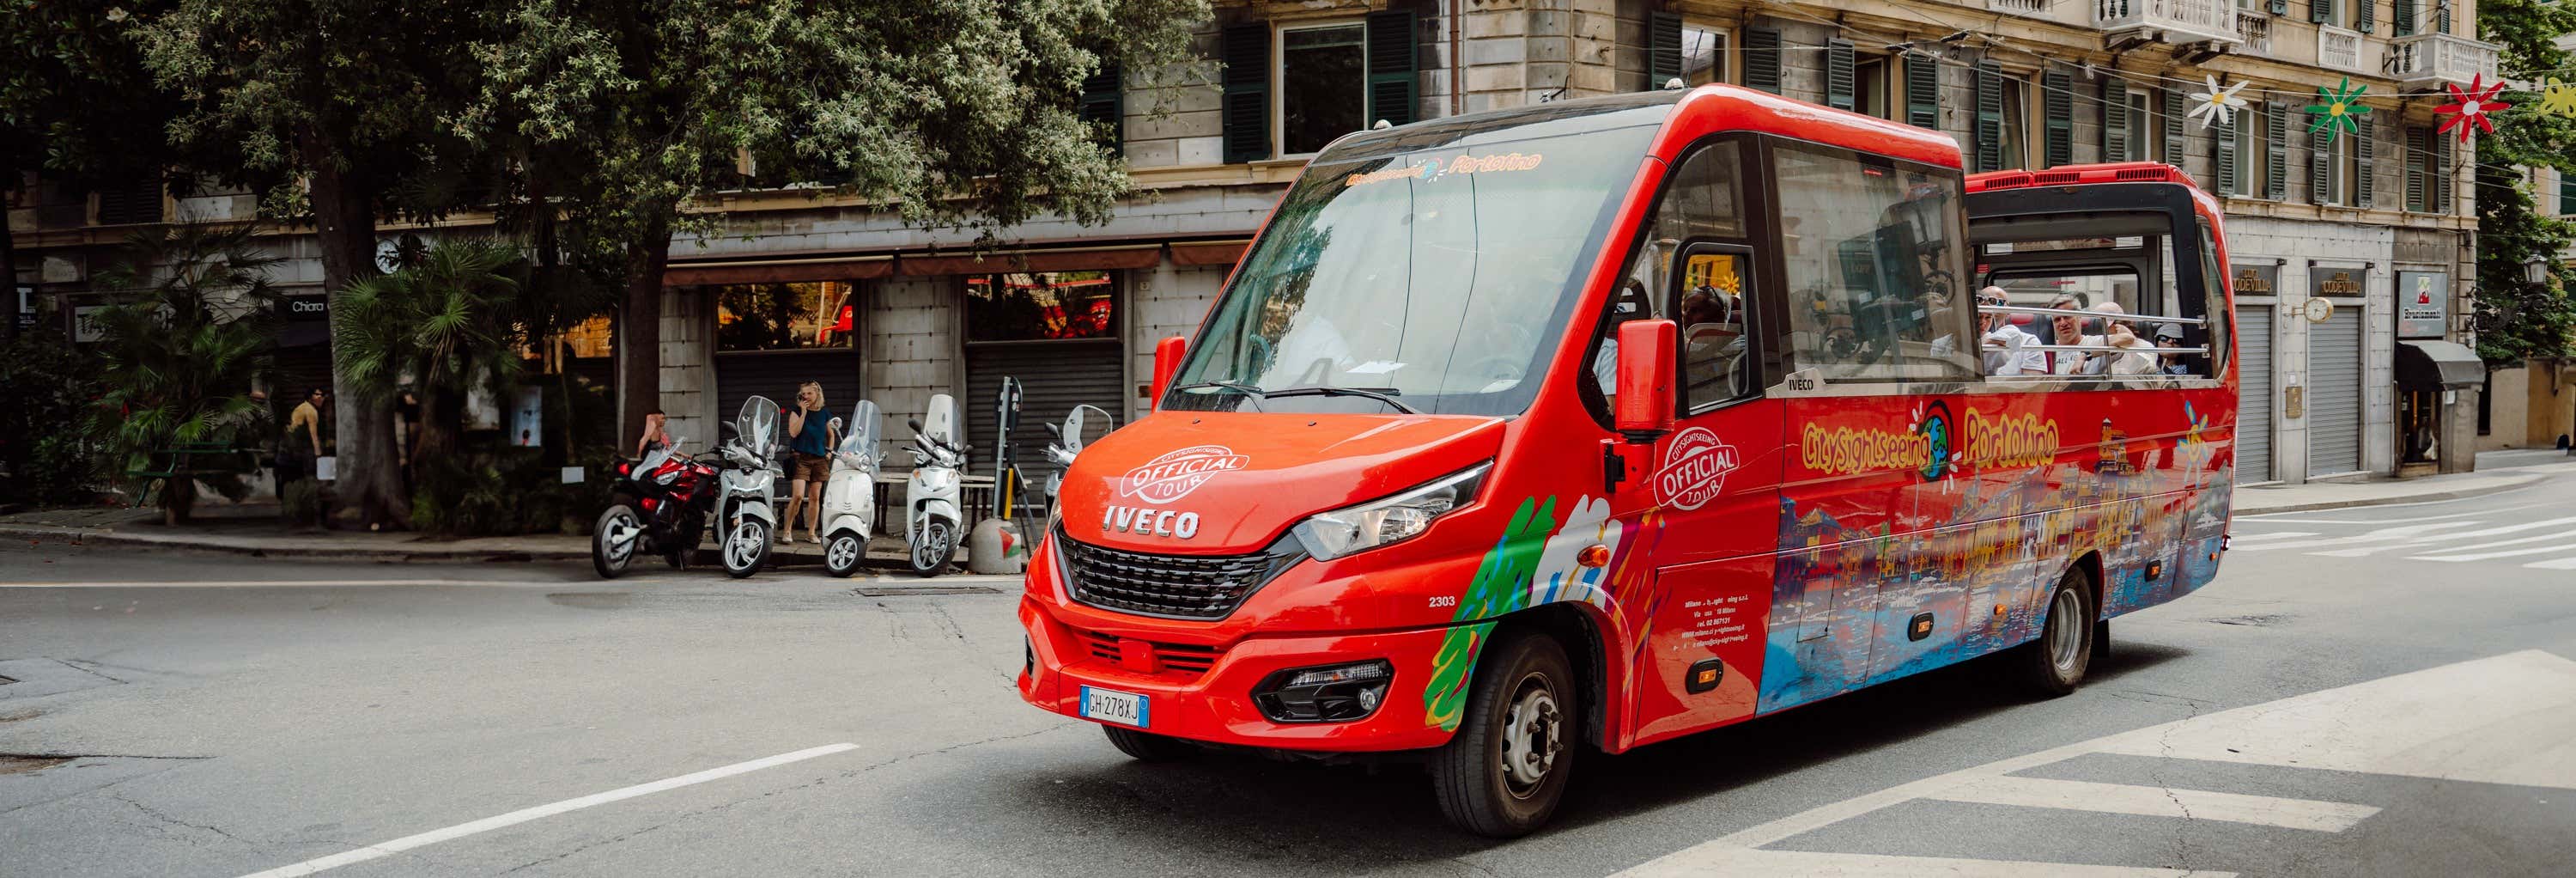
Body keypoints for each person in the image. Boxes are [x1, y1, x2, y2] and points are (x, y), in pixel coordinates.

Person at [782, 381, 836, 545]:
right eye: (803, 393)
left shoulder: (824, 413)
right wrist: (804, 413)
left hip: (820, 459)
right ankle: (787, 531)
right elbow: (793, 432)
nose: (806, 396)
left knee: (815, 498)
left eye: (809, 393)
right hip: (801, 458)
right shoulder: (797, 411)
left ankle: (811, 533)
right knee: (798, 496)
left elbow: (831, 435)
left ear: (817, 394)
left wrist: (829, 453)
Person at [1975, 288, 2045, 376]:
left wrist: (1981, 346)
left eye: (1999, 303)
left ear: (2008, 311)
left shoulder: (2028, 341)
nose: (1983, 322)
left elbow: (2032, 384)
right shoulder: (1965, 339)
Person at [281, 387, 325, 487]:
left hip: (293, 447)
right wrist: (318, 453)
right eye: (317, 395)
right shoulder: (310, 411)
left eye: (322, 395)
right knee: (310, 474)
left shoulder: (301, 407)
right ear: (310, 397)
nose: (321, 398)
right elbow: (313, 434)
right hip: (301, 447)